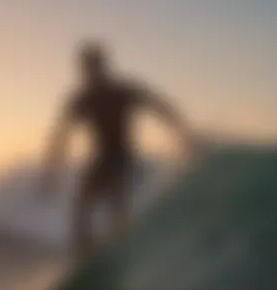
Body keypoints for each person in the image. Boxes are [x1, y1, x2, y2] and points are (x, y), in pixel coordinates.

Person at [40, 41, 194, 262]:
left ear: (102, 66)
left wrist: (184, 134)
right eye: (86, 68)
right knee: (81, 208)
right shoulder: (82, 99)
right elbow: (60, 137)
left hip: (123, 158)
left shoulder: (122, 90)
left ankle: (124, 254)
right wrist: (49, 173)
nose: (89, 72)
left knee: (116, 206)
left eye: (93, 66)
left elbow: (159, 106)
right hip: (101, 160)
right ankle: (85, 260)